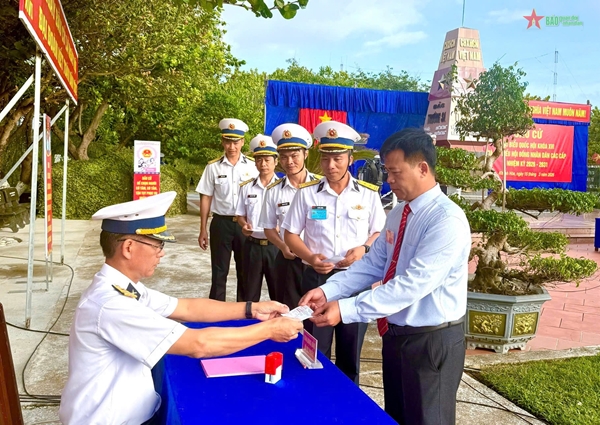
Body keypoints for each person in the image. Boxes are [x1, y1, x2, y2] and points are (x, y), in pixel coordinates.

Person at [59, 192, 303, 425]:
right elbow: (198, 344)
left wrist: (252, 309)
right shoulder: (112, 303)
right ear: (128, 247)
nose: (161, 253)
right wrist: (270, 330)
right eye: (156, 244)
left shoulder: (125, 288)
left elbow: (186, 308)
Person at [300, 128, 471, 425]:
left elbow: (410, 286)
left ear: (422, 168)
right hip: (396, 336)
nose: (388, 180)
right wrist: (329, 291)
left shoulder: (446, 220)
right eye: (387, 171)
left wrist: (345, 309)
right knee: (395, 416)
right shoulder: (399, 212)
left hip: (430, 342)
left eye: (395, 172)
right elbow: (373, 264)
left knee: (427, 419)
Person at [281, 121, 386, 384]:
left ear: (350, 159)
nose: (331, 166)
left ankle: (348, 400)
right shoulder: (307, 194)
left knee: (351, 351)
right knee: (315, 349)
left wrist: (364, 248)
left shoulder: (368, 195)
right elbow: (290, 234)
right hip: (317, 280)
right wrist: (309, 257)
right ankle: (315, 396)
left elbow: (380, 233)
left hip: (356, 280)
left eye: (337, 159)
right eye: (326, 159)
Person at [196, 118, 259, 300]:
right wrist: (202, 229)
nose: (232, 147)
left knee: (246, 271)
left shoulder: (253, 167)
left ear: (242, 142)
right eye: (228, 142)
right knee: (219, 271)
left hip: (245, 225)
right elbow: (206, 197)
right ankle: (216, 310)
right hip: (221, 223)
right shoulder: (213, 167)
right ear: (222, 142)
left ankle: (244, 309)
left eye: (236, 142)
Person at [258, 123, 319, 308]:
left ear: (305, 154)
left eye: (294, 156)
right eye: (284, 157)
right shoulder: (274, 191)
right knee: (288, 310)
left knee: (317, 311)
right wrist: (283, 246)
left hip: (317, 260)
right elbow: (269, 228)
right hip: (288, 260)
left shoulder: (321, 187)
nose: (289, 162)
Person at [235, 135, 280, 302]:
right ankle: (246, 319)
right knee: (249, 293)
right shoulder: (246, 187)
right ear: (255, 163)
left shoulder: (284, 188)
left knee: (279, 291)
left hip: (276, 247)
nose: (263, 164)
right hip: (252, 246)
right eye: (259, 160)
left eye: (267, 160)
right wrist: (244, 225)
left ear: (276, 161)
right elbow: (240, 215)